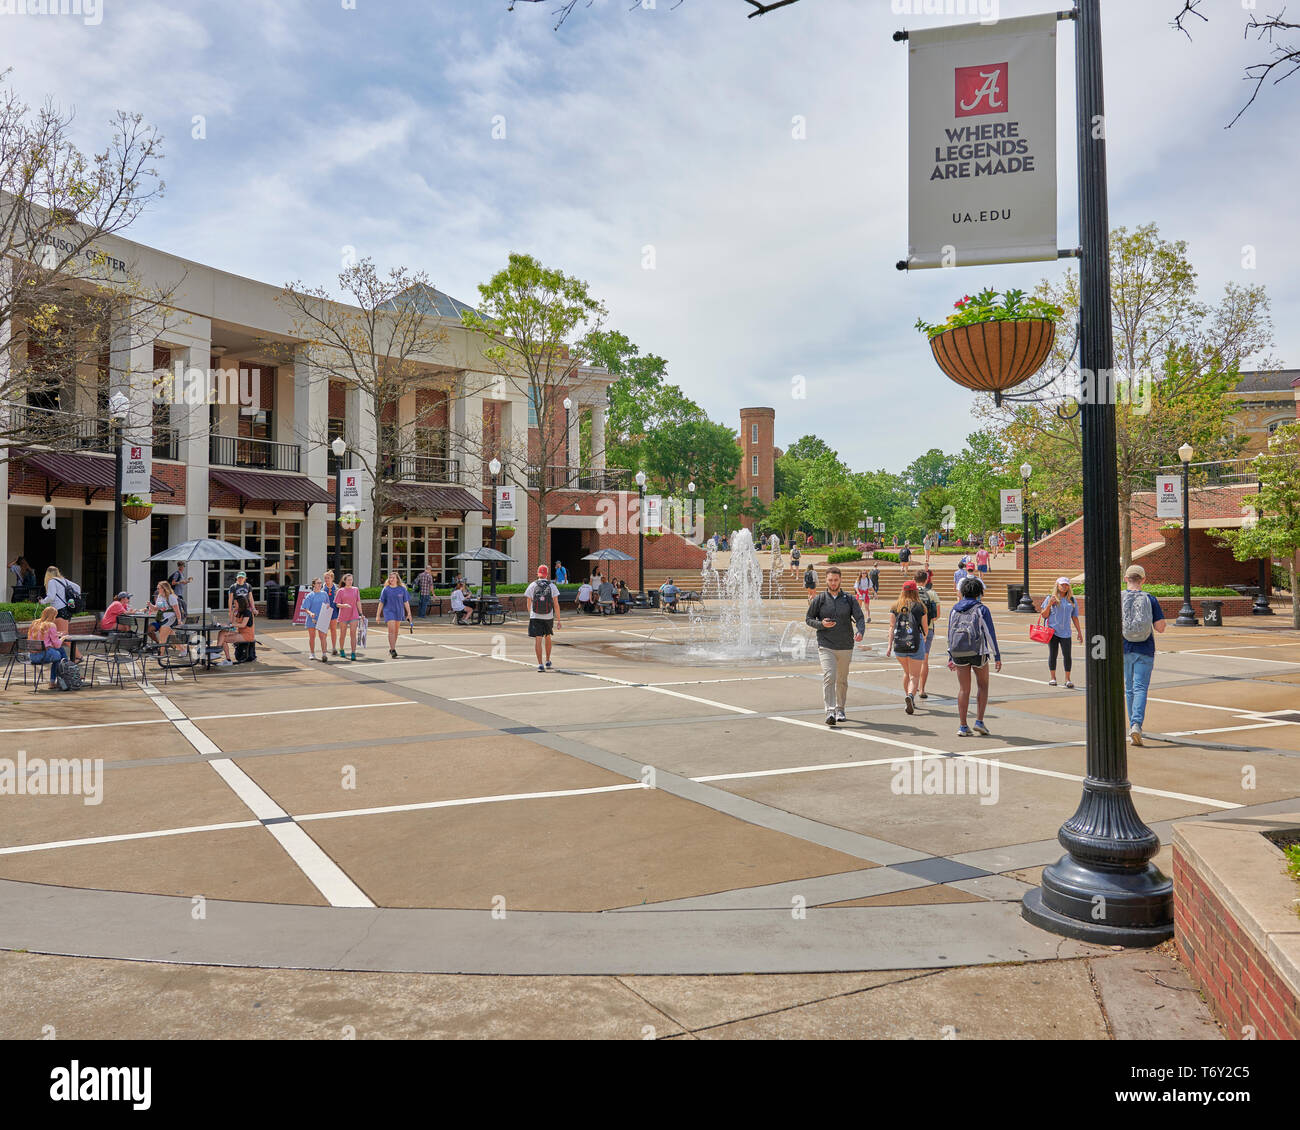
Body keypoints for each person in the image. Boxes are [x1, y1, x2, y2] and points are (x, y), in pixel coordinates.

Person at [806, 565, 865, 726]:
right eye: (830, 580)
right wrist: (821, 624)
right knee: (829, 676)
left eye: (836, 580)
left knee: (842, 679)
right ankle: (830, 711)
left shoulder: (849, 599)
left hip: (845, 644)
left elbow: (859, 617)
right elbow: (809, 618)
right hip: (826, 645)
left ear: (840, 580)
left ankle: (840, 708)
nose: (833, 583)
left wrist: (860, 631)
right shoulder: (819, 599)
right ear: (826, 580)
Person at [947, 576, 1003, 736]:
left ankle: (963, 726)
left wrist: (950, 655)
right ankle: (979, 721)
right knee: (983, 685)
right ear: (979, 592)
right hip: (978, 652)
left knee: (964, 689)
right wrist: (997, 655)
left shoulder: (954, 609)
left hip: (958, 652)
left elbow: (950, 632)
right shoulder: (981, 609)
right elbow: (989, 633)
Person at [1122, 563, 1166, 746]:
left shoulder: (1119, 598)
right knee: (1140, 688)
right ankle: (1136, 724)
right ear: (1143, 580)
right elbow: (1160, 627)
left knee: (1129, 688)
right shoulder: (1150, 599)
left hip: (1124, 648)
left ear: (1126, 579)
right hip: (1145, 648)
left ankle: (1133, 724)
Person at [886, 580, 928, 714]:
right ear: (916, 591)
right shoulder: (920, 606)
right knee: (914, 676)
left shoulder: (895, 606)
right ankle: (910, 695)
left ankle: (909, 697)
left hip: (899, 645)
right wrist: (924, 638)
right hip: (915, 643)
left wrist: (889, 646)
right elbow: (925, 629)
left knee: (907, 673)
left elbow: (891, 627)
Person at [1040, 577, 1083, 688]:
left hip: (1066, 632)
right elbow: (1044, 615)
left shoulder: (1072, 600)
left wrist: (1079, 632)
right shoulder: (1050, 598)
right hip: (1052, 631)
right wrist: (1049, 604)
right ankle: (1053, 678)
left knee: (1067, 655)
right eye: (1062, 584)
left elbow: (1075, 617)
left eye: (1066, 585)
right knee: (1053, 654)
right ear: (1057, 585)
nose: (1064, 586)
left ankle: (1067, 679)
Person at [525, 565, 561, 672]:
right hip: (548, 615)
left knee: (538, 639)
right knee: (548, 636)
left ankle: (540, 664)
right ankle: (548, 660)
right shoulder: (552, 586)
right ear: (547, 574)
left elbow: (528, 602)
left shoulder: (532, 585)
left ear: (538, 574)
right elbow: (556, 604)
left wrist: (531, 614)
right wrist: (558, 619)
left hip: (535, 616)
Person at [27, 607, 68, 691]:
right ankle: (63, 678)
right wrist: (63, 638)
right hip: (43, 655)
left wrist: (55, 634)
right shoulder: (51, 625)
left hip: (32, 656)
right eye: (55, 616)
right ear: (52, 616)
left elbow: (41, 638)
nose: (55, 618)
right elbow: (57, 645)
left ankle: (57, 680)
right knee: (60, 655)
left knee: (60, 653)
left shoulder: (34, 623)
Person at [915, 569, 941, 700]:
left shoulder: (909, 593)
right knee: (924, 660)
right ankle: (922, 689)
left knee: (911, 660)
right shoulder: (931, 593)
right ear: (926, 580)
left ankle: (911, 689)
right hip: (927, 629)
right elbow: (937, 615)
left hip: (911, 631)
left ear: (914, 580)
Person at [379, 571, 412, 659]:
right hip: (389, 612)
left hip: (399, 612)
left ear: (397, 579)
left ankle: (392, 648)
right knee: (391, 631)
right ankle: (393, 649)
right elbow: (381, 602)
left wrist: (409, 613)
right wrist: (378, 615)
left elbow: (406, 602)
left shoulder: (402, 589)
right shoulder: (386, 589)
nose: (391, 579)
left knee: (396, 631)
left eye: (393, 578)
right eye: (390, 578)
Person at [217, 594, 256, 665]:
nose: (234, 605)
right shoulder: (239, 612)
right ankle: (226, 658)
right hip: (240, 633)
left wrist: (231, 625)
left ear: (240, 603)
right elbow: (232, 622)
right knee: (222, 633)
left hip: (247, 635)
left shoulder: (248, 612)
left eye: (235, 603)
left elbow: (243, 625)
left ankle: (217, 652)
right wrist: (233, 611)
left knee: (223, 639)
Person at [41, 566, 79, 635]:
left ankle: (73, 646)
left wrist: (42, 601)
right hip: (66, 609)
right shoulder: (64, 580)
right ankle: (69, 646)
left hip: (59, 610)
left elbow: (51, 597)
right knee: (58, 635)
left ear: (48, 574)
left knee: (61, 635)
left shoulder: (52, 581)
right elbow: (77, 587)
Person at [147, 579, 185, 647]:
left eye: (159, 588)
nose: (157, 590)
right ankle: (182, 649)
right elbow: (157, 608)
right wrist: (150, 605)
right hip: (161, 619)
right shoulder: (160, 597)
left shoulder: (171, 597)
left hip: (170, 619)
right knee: (172, 636)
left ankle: (161, 653)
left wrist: (179, 620)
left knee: (165, 635)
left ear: (164, 588)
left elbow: (177, 610)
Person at [301, 578, 331, 661]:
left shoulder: (324, 594)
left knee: (323, 637)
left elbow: (328, 603)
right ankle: (312, 653)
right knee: (312, 637)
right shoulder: (310, 595)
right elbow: (306, 608)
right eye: (318, 583)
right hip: (312, 619)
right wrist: (310, 614)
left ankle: (324, 654)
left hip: (322, 619)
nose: (320, 584)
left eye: (320, 583)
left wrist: (328, 605)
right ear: (313, 584)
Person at [335, 573, 361, 659]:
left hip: (354, 614)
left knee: (353, 634)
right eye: (348, 580)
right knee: (343, 634)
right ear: (344, 581)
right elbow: (337, 604)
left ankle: (353, 652)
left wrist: (361, 613)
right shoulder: (340, 591)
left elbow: (358, 602)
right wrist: (344, 605)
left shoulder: (356, 589)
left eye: (351, 580)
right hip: (343, 615)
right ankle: (341, 649)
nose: (350, 581)